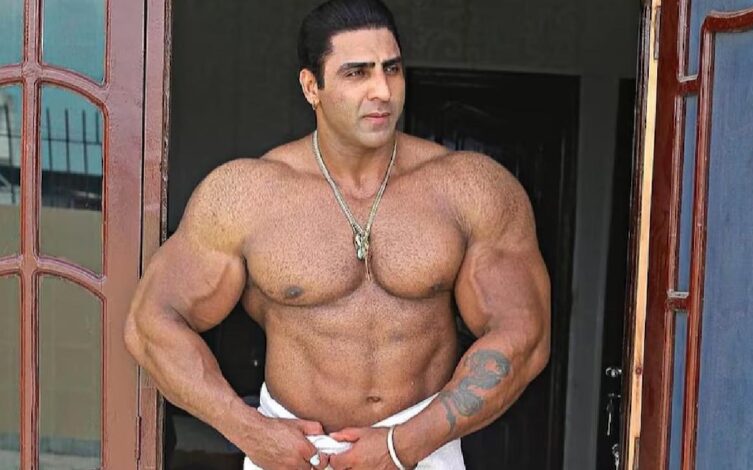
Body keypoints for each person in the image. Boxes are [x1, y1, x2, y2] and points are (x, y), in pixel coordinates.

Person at [124, 0, 550, 468]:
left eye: (392, 69)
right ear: (312, 87)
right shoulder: (246, 195)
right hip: (293, 456)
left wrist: (403, 446)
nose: (382, 91)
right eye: (356, 73)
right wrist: (251, 431)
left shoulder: (471, 188)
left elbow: (523, 335)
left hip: (421, 450)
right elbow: (151, 324)